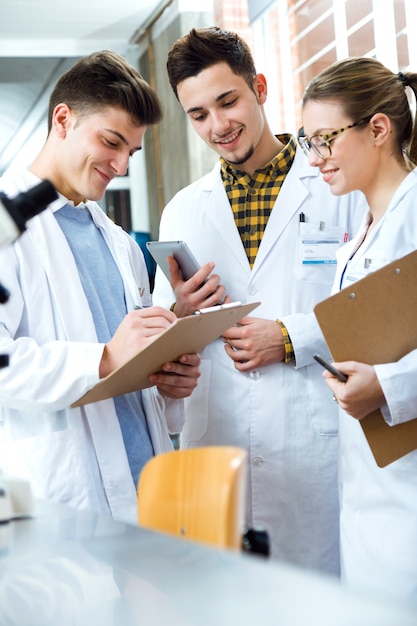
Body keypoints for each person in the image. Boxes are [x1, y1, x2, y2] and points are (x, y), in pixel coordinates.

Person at [151, 27, 366, 574]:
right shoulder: (182, 210)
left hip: (314, 438)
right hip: (215, 443)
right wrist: (179, 314)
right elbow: (163, 340)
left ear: (260, 88)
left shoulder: (338, 187)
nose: (218, 126)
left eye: (228, 101)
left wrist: (293, 336)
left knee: (316, 597)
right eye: (198, 115)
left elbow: (379, 304)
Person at [0, 50, 201, 524]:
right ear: (64, 119)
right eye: (111, 141)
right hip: (65, 499)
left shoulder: (119, 242)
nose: (121, 165)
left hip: (148, 490)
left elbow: (130, 371)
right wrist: (106, 357)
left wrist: (168, 380)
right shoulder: (7, 227)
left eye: (131, 151)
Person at [300, 56, 417, 605]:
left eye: (326, 139)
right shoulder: (361, 235)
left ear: (377, 129)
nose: (316, 158)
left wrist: (389, 386)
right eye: (308, 142)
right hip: (372, 492)